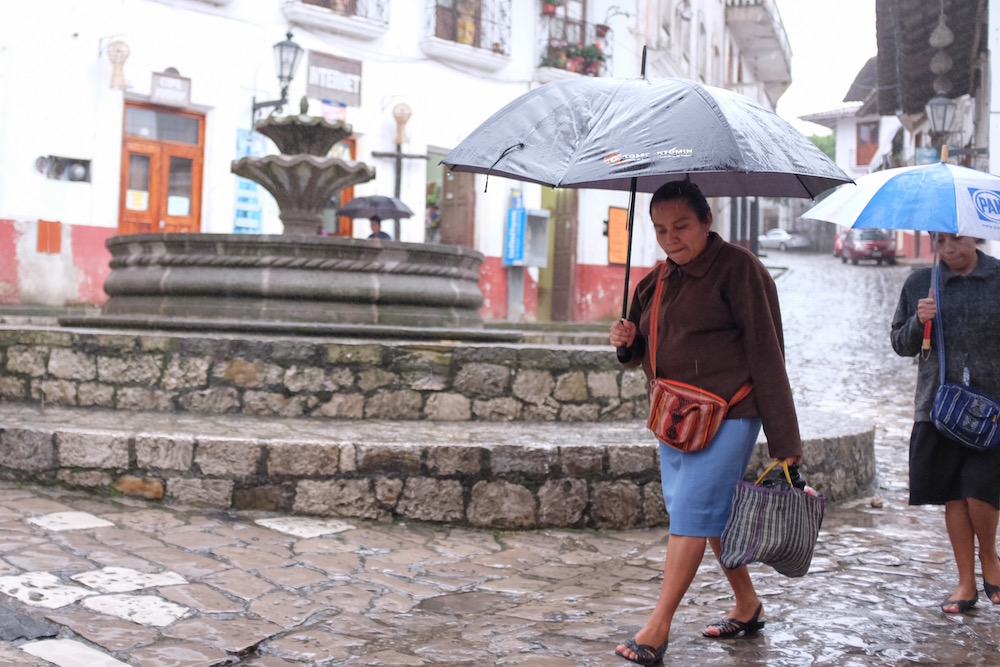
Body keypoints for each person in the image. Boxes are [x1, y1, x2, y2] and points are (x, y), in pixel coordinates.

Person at [609, 180, 802, 666]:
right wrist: (626, 342)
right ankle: (747, 604)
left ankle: (656, 629)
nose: (671, 238)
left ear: (706, 220)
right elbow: (639, 352)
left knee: (693, 513)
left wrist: (785, 439)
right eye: (659, 229)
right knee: (703, 514)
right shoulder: (656, 279)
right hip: (675, 417)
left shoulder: (741, 271)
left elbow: (767, 353)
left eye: (681, 226)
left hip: (731, 414)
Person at [890, 232, 1000, 615]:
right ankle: (966, 583)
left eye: (956, 240)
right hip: (940, 408)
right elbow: (900, 344)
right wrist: (919, 322)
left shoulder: (998, 278)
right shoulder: (921, 283)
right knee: (953, 493)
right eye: (940, 241)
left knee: (980, 491)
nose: (949, 248)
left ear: (975, 237)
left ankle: (989, 556)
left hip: (993, 410)